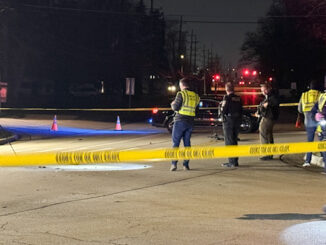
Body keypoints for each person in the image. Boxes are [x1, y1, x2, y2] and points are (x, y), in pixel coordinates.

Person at [170, 76, 200, 171]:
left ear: (182, 85)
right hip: (190, 122)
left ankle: (174, 164)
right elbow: (197, 109)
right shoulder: (196, 96)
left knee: (176, 143)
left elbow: (175, 107)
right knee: (187, 144)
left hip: (180, 121)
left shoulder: (181, 94)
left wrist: (172, 104)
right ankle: (186, 165)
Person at [298, 80, 320, 167]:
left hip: (308, 121)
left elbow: (299, 109)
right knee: (322, 140)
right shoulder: (320, 95)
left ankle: (307, 161)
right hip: (319, 121)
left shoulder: (304, 95)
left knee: (309, 141)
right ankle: (323, 157)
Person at [220, 82, 243, 167]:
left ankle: (231, 162)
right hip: (237, 120)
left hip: (229, 121)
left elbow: (224, 110)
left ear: (226, 89)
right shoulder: (238, 98)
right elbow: (241, 109)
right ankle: (235, 160)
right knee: (234, 140)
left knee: (229, 141)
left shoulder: (227, 98)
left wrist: (222, 106)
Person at [255, 83, 280, 160]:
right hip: (269, 117)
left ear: (269, 88)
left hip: (268, 118)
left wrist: (268, 103)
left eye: (265, 90)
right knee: (268, 135)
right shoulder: (269, 96)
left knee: (263, 134)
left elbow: (275, 102)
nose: (263, 92)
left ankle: (266, 154)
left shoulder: (273, 95)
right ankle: (270, 153)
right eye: (262, 90)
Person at [310, 91, 326, 175]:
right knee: (324, 148)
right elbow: (313, 110)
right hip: (322, 128)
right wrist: (315, 116)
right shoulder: (322, 96)